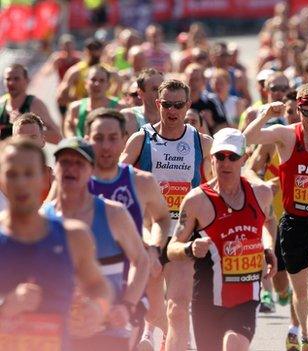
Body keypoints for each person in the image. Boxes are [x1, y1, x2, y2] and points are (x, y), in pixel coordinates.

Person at [244, 82, 308, 351]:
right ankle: (304, 333)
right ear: (298, 109)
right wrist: (267, 113)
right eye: (307, 112)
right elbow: (246, 139)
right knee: (300, 294)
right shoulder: (287, 135)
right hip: (292, 224)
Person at [121, 79, 213, 351]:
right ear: (157, 104)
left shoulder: (201, 141)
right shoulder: (141, 139)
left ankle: (174, 342)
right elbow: (115, 178)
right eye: (167, 105)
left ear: (187, 106)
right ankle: (161, 335)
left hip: (183, 235)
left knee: (178, 307)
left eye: (178, 105)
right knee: (154, 308)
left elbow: (222, 184)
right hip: (150, 233)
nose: (172, 111)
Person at [167, 128, 277, 351]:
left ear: (244, 158)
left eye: (233, 157)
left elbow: (269, 221)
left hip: (246, 293)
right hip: (208, 296)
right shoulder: (197, 200)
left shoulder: (261, 193)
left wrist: (269, 248)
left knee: (234, 344)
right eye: (220, 156)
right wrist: (189, 248)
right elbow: (172, 248)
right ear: (212, 158)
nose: (226, 163)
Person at [0, 137, 112, 350]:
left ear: (44, 178)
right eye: (12, 174)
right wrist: (5, 306)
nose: (21, 182)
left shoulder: (73, 236)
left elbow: (98, 286)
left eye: (29, 173)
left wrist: (98, 310)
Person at [44, 137, 150, 351]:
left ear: (91, 170)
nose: (71, 169)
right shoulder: (42, 219)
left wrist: (127, 305)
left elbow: (141, 260)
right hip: (58, 334)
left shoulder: (114, 213)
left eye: (79, 163)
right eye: (65, 162)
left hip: (107, 332)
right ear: (54, 169)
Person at [82, 108, 171, 350]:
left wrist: (154, 248)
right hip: (83, 288)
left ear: (124, 139)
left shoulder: (141, 181)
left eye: (113, 138)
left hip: (128, 287)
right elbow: (47, 220)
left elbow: (163, 218)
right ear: (87, 139)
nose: (106, 146)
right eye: (98, 138)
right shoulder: (73, 182)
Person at [1, 64, 62, 143]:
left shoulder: (34, 104)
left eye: (16, 79)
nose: (11, 83)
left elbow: (57, 137)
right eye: (8, 79)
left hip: (28, 154)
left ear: (27, 80)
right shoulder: (1, 103)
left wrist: (29, 130)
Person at [64, 65, 121, 138]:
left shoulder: (119, 108)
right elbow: (68, 126)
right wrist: (73, 140)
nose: (97, 84)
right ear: (85, 83)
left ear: (108, 85)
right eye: (93, 80)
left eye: (102, 80)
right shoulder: (75, 108)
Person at [12, 113, 53, 202]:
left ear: (43, 140)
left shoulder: (54, 181)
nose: (28, 143)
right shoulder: (3, 178)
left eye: (33, 137)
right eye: (22, 138)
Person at [122, 68, 164, 133]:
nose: (160, 93)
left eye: (162, 88)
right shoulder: (129, 117)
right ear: (140, 93)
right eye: (155, 89)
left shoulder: (173, 116)